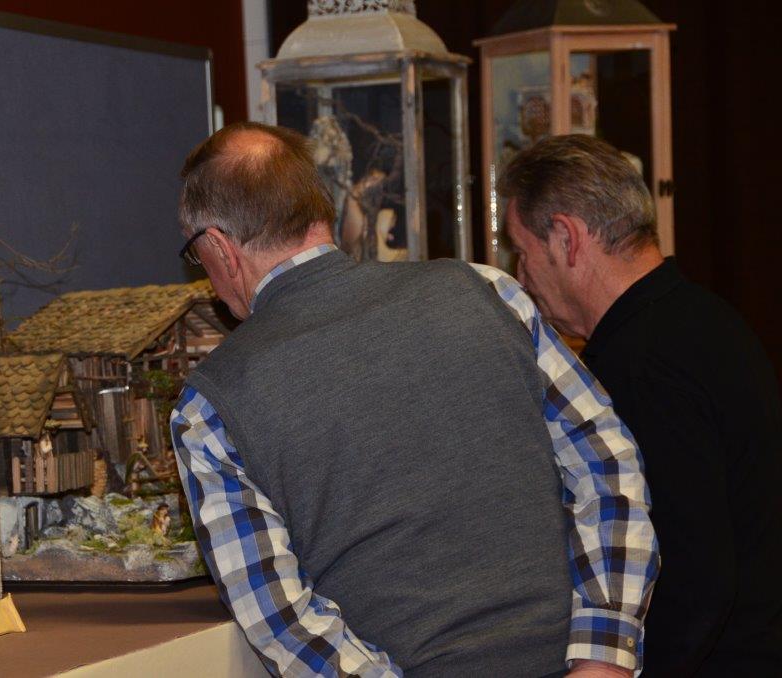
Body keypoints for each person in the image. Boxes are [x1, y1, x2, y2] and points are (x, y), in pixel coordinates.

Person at [170, 122, 657, 677]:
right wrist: (603, 655)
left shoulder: (209, 406)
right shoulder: (487, 291)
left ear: (219, 247)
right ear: (321, 210)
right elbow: (605, 463)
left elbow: (283, 620)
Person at [499, 133, 782, 675]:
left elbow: (687, 577)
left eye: (522, 252)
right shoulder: (705, 317)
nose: (522, 276)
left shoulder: (638, 366)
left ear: (566, 237)